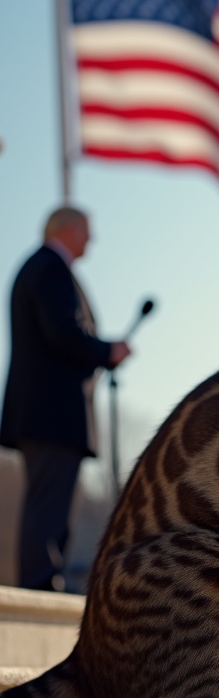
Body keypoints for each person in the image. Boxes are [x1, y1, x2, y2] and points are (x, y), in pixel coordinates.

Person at [0, 207, 130, 591]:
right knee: (48, 504)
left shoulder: (41, 268)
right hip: (51, 415)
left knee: (50, 503)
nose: (92, 239)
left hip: (45, 415)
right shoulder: (49, 269)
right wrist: (105, 351)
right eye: (88, 231)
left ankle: (42, 578)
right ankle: (40, 582)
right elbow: (63, 333)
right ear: (69, 229)